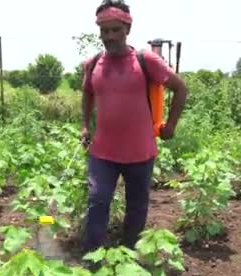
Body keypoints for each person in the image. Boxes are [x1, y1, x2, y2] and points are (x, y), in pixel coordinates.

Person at [80, 0, 188, 254]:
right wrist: (85, 126)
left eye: (115, 30)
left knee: (137, 206)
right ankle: (91, 258)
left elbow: (180, 88)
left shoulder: (145, 60)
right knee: (97, 200)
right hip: (103, 151)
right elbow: (87, 94)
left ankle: (128, 256)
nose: (109, 36)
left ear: (127, 28)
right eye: (104, 31)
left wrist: (170, 125)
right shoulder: (93, 63)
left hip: (140, 152)